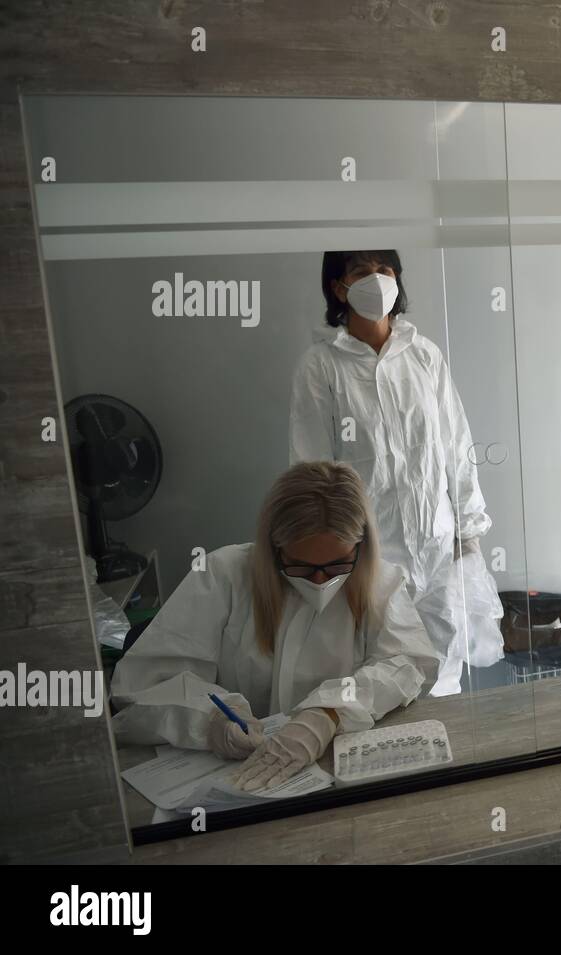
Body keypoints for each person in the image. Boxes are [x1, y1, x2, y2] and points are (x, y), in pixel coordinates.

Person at [111, 461, 437, 790]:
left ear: (361, 548)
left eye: (337, 564)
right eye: (301, 566)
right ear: (274, 548)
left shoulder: (381, 582)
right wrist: (211, 722)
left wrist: (329, 714)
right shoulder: (221, 575)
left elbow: (409, 663)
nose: (320, 581)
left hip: (334, 773)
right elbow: (141, 684)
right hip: (232, 774)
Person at [290, 250, 502, 697]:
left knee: (444, 675)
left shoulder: (423, 356)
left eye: (384, 270)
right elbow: (313, 475)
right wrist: (332, 560)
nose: (376, 280)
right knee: (381, 679)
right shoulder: (322, 365)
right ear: (338, 286)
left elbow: (456, 446)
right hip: (372, 559)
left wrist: (469, 532)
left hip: (439, 548)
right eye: (360, 272)